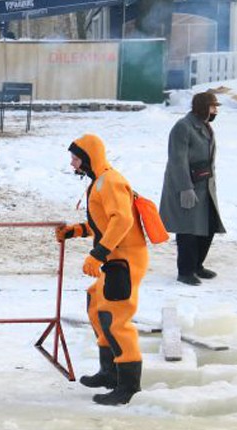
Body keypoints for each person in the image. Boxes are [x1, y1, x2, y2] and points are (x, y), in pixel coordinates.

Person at [56, 134, 148, 406]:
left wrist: (98, 254)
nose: (72, 164)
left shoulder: (111, 182)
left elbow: (122, 221)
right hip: (113, 258)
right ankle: (109, 373)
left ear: (87, 157)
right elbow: (103, 224)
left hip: (124, 261)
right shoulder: (99, 182)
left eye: (75, 158)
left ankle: (128, 386)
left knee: (115, 319)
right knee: (96, 308)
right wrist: (77, 231)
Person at [159, 91, 225, 286]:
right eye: (213, 107)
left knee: (208, 226)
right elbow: (177, 161)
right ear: (203, 107)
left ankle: (197, 265)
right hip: (187, 186)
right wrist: (185, 188)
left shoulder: (204, 126)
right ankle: (185, 271)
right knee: (187, 229)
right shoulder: (183, 127)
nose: (215, 111)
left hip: (205, 187)